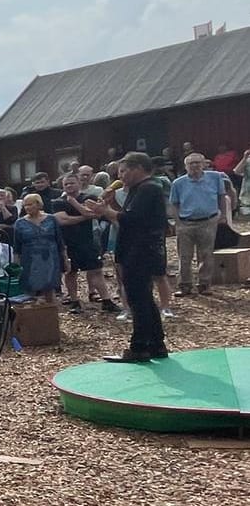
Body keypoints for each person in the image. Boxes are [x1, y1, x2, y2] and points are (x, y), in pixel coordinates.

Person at [90, 152, 168, 362]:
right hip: (138, 250)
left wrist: (105, 211)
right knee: (144, 298)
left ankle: (139, 346)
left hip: (141, 251)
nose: (120, 176)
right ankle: (156, 344)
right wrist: (108, 207)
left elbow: (132, 219)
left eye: (124, 171)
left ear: (139, 168)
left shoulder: (148, 188)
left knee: (137, 299)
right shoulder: (140, 189)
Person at [51, 174, 120, 314]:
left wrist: (74, 204)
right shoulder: (58, 202)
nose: (69, 186)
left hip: (88, 240)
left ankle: (106, 300)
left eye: (72, 183)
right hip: (68, 242)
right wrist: (85, 216)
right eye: (66, 184)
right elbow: (62, 220)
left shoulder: (89, 198)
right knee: (71, 272)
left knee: (96, 270)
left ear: (78, 184)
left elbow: (96, 214)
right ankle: (74, 301)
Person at [168, 152, 230, 295]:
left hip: (208, 221)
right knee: (184, 256)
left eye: (197, 162)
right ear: (186, 166)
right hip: (186, 223)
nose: (194, 165)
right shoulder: (178, 183)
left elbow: (221, 197)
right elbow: (174, 204)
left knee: (207, 254)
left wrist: (223, 215)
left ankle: (204, 284)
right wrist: (178, 222)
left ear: (204, 164)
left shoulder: (215, 178)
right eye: (191, 163)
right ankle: (185, 285)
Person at [12, 193, 66, 302]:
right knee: (30, 287)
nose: (27, 207)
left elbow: (60, 241)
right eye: (25, 205)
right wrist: (16, 265)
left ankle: (50, 313)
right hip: (30, 259)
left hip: (50, 258)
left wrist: (65, 259)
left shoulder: (51, 219)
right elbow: (17, 247)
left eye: (30, 204)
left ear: (38, 204)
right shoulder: (20, 223)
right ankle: (33, 315)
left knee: (49, 287)